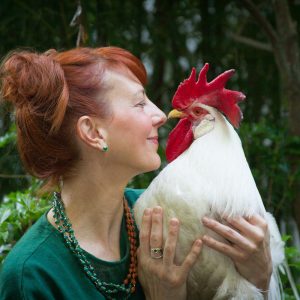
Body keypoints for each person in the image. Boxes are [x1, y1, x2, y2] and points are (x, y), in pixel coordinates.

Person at [0, 46, 272, 300]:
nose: (161, 115)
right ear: (93, 132)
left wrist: (259, 277)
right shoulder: (30, 277)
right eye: (140, 103)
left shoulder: (171, 214)